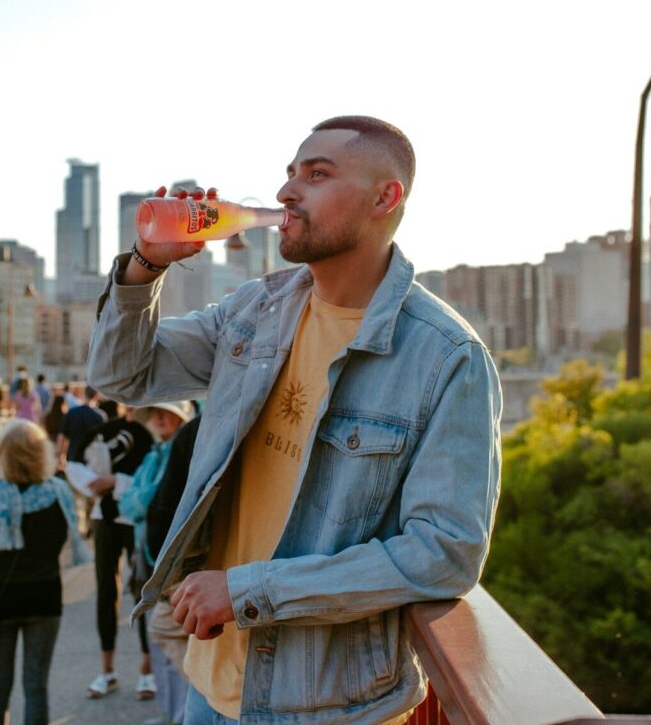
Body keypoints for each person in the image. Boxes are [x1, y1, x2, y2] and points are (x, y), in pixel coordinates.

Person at [87, 116, 502, 723]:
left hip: (324, 705)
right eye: (290, 174)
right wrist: (146, 266)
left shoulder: (446, 358)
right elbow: (122, 377)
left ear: (385, 198)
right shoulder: (258, 308)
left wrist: (248, 589)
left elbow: (444, 552)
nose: (286, 193)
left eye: (317, 174)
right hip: (210, 684)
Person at [0, 419, 78, 725]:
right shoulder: (57, 496)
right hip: (44, 597)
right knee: (36, 686)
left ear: (4, 454)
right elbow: (59, 542)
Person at [68, 405, 158, 700]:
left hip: (136, 519)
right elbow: (74, 461)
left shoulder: (151, 431)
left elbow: (159, 477)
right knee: (107, 591)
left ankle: (147, 670)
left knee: (143, 590)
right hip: (104, 518)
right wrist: (94, 484)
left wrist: (116, 483)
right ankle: (106, 670)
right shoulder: (104, 431)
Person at [117, 406, 197, 725]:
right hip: (147, 556)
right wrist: (147, 500)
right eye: (155, 414)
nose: (159, 419)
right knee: (158, 643)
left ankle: (188, 712)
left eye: (166, 413)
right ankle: (171, 711)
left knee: (171, 635)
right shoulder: (153, 456)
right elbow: (130, 504)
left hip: (174, 560)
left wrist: (145, 500)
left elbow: (149, 501)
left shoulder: (184, 451)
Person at [56, 386, 106, 471]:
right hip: (92, 459)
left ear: (84, 394)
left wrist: (60, 456)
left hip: (73, 456)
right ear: (96, 396)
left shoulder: (71, 412)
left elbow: (62, 437)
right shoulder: (99, 416)